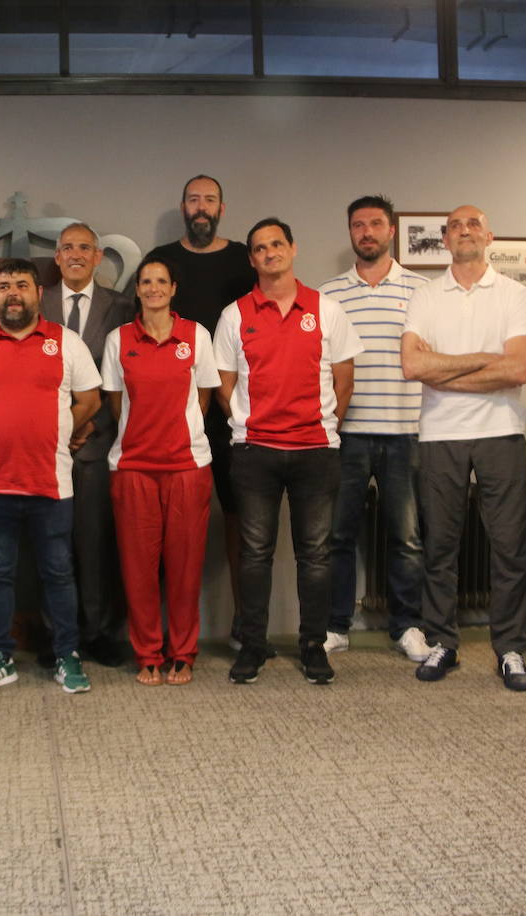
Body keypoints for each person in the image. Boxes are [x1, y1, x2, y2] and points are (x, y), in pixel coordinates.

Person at [0, 258, 102, 695]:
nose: (13, 293)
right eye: (4, 287)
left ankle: (67, 655)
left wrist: (60, 429)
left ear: (38, 294)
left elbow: (89, 399)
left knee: (58, 574)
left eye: (22, 286)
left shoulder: (65, 342)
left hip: (52, 483)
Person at [214, 218, 362, 686]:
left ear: (293, 249)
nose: (269, 253)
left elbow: (344, 379)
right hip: (255, 451)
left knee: (315, 556)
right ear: (252, 259)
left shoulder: (327, 310)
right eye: (260, 248)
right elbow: (223, 384)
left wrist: (321, 421)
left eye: (277, 244)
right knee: (254, 554)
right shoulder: (234, 315)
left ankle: (313, 647)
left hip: (316, 451)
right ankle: (253, 646)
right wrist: (245, 422)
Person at [401, 205, 526, 691]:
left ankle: (512, 649)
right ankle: (443, 642)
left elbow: (518, 369)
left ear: (489, 235)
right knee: (439, 546)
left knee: (509, 548)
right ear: (445, 239)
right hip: (440, 435)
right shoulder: (425, 294)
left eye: (473, 224)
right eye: (456, 226)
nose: (465, 231)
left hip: (501, 431)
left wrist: (446, 369)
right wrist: (485, 361)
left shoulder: (514, 294)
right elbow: (413, 366)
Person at [145, 175, 257, 651]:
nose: (201, 207)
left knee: (241, 518)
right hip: (174, 412)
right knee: (165, 526)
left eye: (209, 199)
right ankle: (164, 633)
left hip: (231, 406)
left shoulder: (243, 261)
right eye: (193, 199)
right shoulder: (164, 262)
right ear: (183, 207)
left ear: (222, 208)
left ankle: (243, 627)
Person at [318, 196, 431, 663]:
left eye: (375, 224)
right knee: (337, 536)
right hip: (347, 434)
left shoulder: (423, 290)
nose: (366, 232)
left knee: (406, 538)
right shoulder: (329, 294)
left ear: (392, 231)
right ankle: (335, 624)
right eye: (358, 225)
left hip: (405, 431)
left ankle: (407, 627)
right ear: (350, 232)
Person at [101, 256, 220, 686]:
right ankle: (148, 653)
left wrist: (175, 432)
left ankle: (183, 653)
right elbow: (116, 404)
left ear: (173, 290)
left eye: (161, 281)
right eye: (145, 281)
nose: (153, 288)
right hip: (133, 467)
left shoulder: (196, 336)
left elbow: (204, 397)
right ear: (137, 290)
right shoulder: (119, 339)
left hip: (187, 467)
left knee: (186, 569)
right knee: (138, 568)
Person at [41, 223, 133, 667]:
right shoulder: (33, 303)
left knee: (95, 543)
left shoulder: (122, 307)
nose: (75, 254)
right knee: (47, 544)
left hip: (96, 443)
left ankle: (97, 632)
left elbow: (124, 376)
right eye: (67, 248)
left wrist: (89, 426)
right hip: (42, 446)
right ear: (57, 258)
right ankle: (56, 635)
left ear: (98, 257)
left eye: (84, 248)